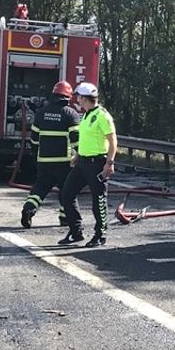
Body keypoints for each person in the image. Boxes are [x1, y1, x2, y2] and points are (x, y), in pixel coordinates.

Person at [58, 82, 117, 247]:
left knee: (98, 200)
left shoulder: (102, 115)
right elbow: (85, 139)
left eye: (79, 96)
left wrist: (109, 163)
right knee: (67, 194)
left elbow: (113, 141)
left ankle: (100, 234)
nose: (77, 99)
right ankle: (76, 232)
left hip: (97, 163)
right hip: (82, 162)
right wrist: (77, 156)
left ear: (84, 98)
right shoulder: (85, 115)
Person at [20, 81, 81, 229]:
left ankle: (28, 209)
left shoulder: (41, 113)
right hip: (64, 162)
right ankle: (65, 218)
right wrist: (79, 156)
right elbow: (75, 140)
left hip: (44, 160)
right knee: (67, 191)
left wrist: (35, 154)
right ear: (68, 97)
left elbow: (34, 138)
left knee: (40, 188)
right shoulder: (71, 114)